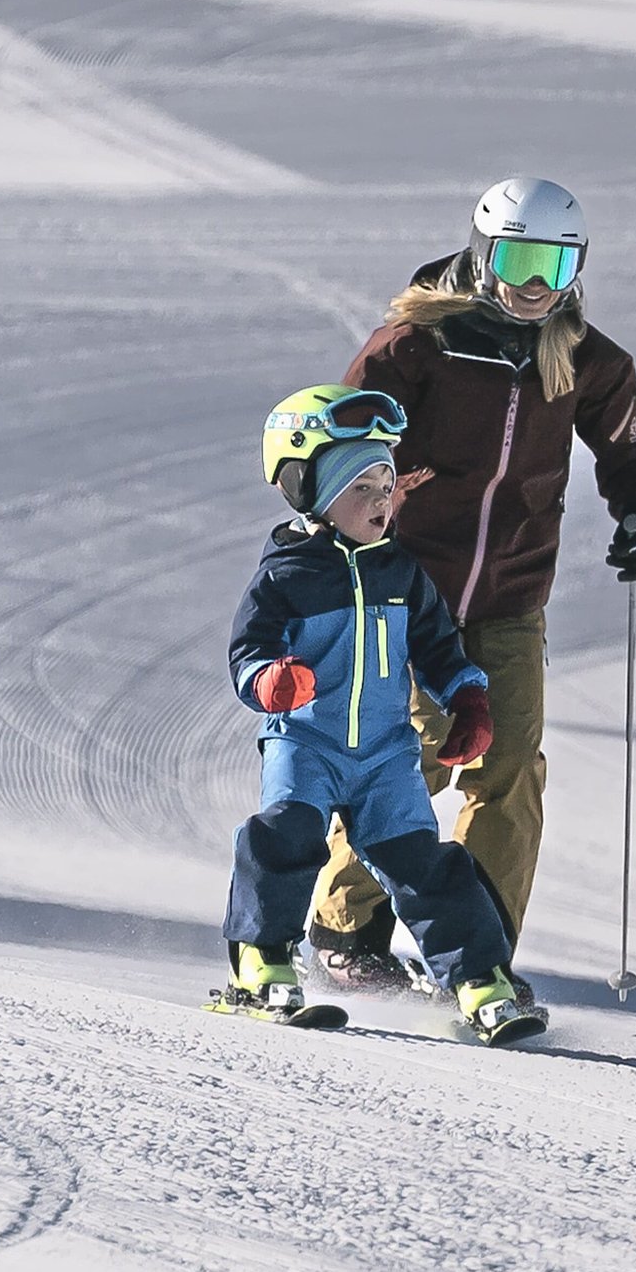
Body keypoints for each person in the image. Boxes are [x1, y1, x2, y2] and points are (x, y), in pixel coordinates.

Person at [305, 177, 636, 994]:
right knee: (414, 760)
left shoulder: (587, 361)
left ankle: (476, 954)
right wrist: (377, 484)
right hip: (409, 593)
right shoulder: (416, 345)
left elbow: (622, 451)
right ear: (482, 253)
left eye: (553, 262)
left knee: (508, 770)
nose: (533, 283)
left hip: (511, 597)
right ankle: (343, 929)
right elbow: (342, 436)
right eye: (517, 258)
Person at [220, 383, 543, 1045]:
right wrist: (271, 681)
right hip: (307, 742)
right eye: (360, 487)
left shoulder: (400, 571)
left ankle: (481, 980)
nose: (382, 502)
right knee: (286, 838)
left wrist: (468, 698)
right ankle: (262, 962)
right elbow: (248, 654)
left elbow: (437, 645)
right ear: (305, 487)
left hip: (386, 754)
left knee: (426, 864)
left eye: (387, 485)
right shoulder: (285, 574)